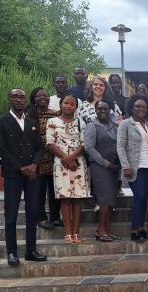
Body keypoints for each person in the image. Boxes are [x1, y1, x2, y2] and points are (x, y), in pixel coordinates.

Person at [0, 89, 46, 266]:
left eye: (22, 97)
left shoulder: (32, 123)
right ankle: (12, 252)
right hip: (13, 175)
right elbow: (0, 148)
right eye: (15, 97)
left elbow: (40, 147)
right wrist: (19, 167)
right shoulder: (0, 121)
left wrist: (34, 165)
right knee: (11, 215)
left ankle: (31, 250)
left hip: (31, 175)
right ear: (9, 100)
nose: (19, 100)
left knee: (32, 214)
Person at [46, 94, 92, 243]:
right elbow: (50, 143)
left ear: (76, 107)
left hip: (78, 164)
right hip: (61, 164)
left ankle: (76, 233)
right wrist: (66, 158)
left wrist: (72, 158)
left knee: (77, 199)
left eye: (72, 104)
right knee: (65, 199)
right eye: (66, 103)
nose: (68, 106)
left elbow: (84, 143)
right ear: (60, 104)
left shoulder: (81, 123)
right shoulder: (52, 121)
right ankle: (67, 233)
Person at [117, 94, 148, 241]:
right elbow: (120, 146)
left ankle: (141, 228)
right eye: (138, 106)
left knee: (145, 198)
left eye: (144, 107)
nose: (141, 109)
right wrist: (125, 166)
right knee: (139, 197)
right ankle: (134, 230)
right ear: (132, 107)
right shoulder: (126, 124)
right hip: (135, 168)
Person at [84, 100, 120, 242]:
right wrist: (106, 164)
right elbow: (89, 148)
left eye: (106, 109)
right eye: (100, 109)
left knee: (110, 200)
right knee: (104, 200)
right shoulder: (92, 126)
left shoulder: (113, 127)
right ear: (95, 110)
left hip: (114, 167)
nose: (103, 111)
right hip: (100, 167)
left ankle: (108, 230)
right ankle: (100, 230)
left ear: (110, 110)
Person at [26, 87, 60, 230]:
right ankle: (40, 218)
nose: (42, 98)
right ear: (34, 98)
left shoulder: (56, 114)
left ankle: (55, 217)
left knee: (54, 191)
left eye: (45, 96)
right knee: (39, 192)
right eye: (39, 96)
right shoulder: (29, 115)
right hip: (38, 160)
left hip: (54, 158)